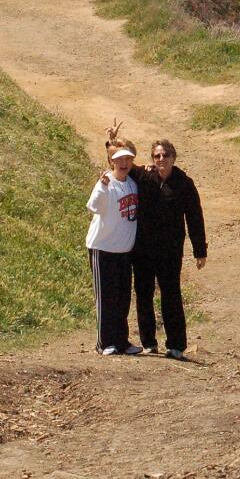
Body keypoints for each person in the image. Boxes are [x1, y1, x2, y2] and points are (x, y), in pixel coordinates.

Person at [132, 138, 207, 360]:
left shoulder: (184, 183)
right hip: (143, 249)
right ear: (152, 159)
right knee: (143, 293)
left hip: (170, 250)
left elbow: (195, 217)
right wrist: (111, 142)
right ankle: (148, 343)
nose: (161, 159)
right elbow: (120, 163)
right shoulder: (144, 177)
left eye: (165, 155)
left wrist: (200, 250)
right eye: (157, 156)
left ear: (174, 158)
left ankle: (176, 345)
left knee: (171, 294)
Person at [85, 138, 143, 356]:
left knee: (123, 298)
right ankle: (104, 342)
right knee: (106, 298)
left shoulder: (132, 184)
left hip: (124, 251)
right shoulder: (106, 182)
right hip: (103, 248)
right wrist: (101, 187)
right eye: (119, 160)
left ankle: (121, 340)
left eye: (128, 159)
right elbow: (93, 206)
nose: (124, 163)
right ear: (111, 162)